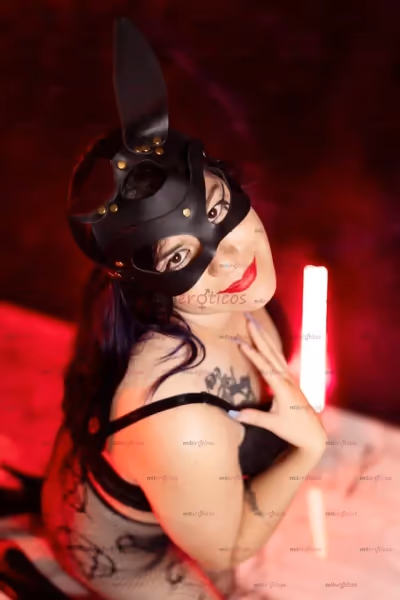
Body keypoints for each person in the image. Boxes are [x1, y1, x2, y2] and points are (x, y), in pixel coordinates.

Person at [39, 17, 327, 600]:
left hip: (177, 495)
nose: (229, 260)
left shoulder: (231, 294)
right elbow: (228, 546)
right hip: (118, 554)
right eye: (178, 257)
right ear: (150, 282)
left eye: (217, 209)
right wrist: (309, 447)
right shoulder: (176, 414)